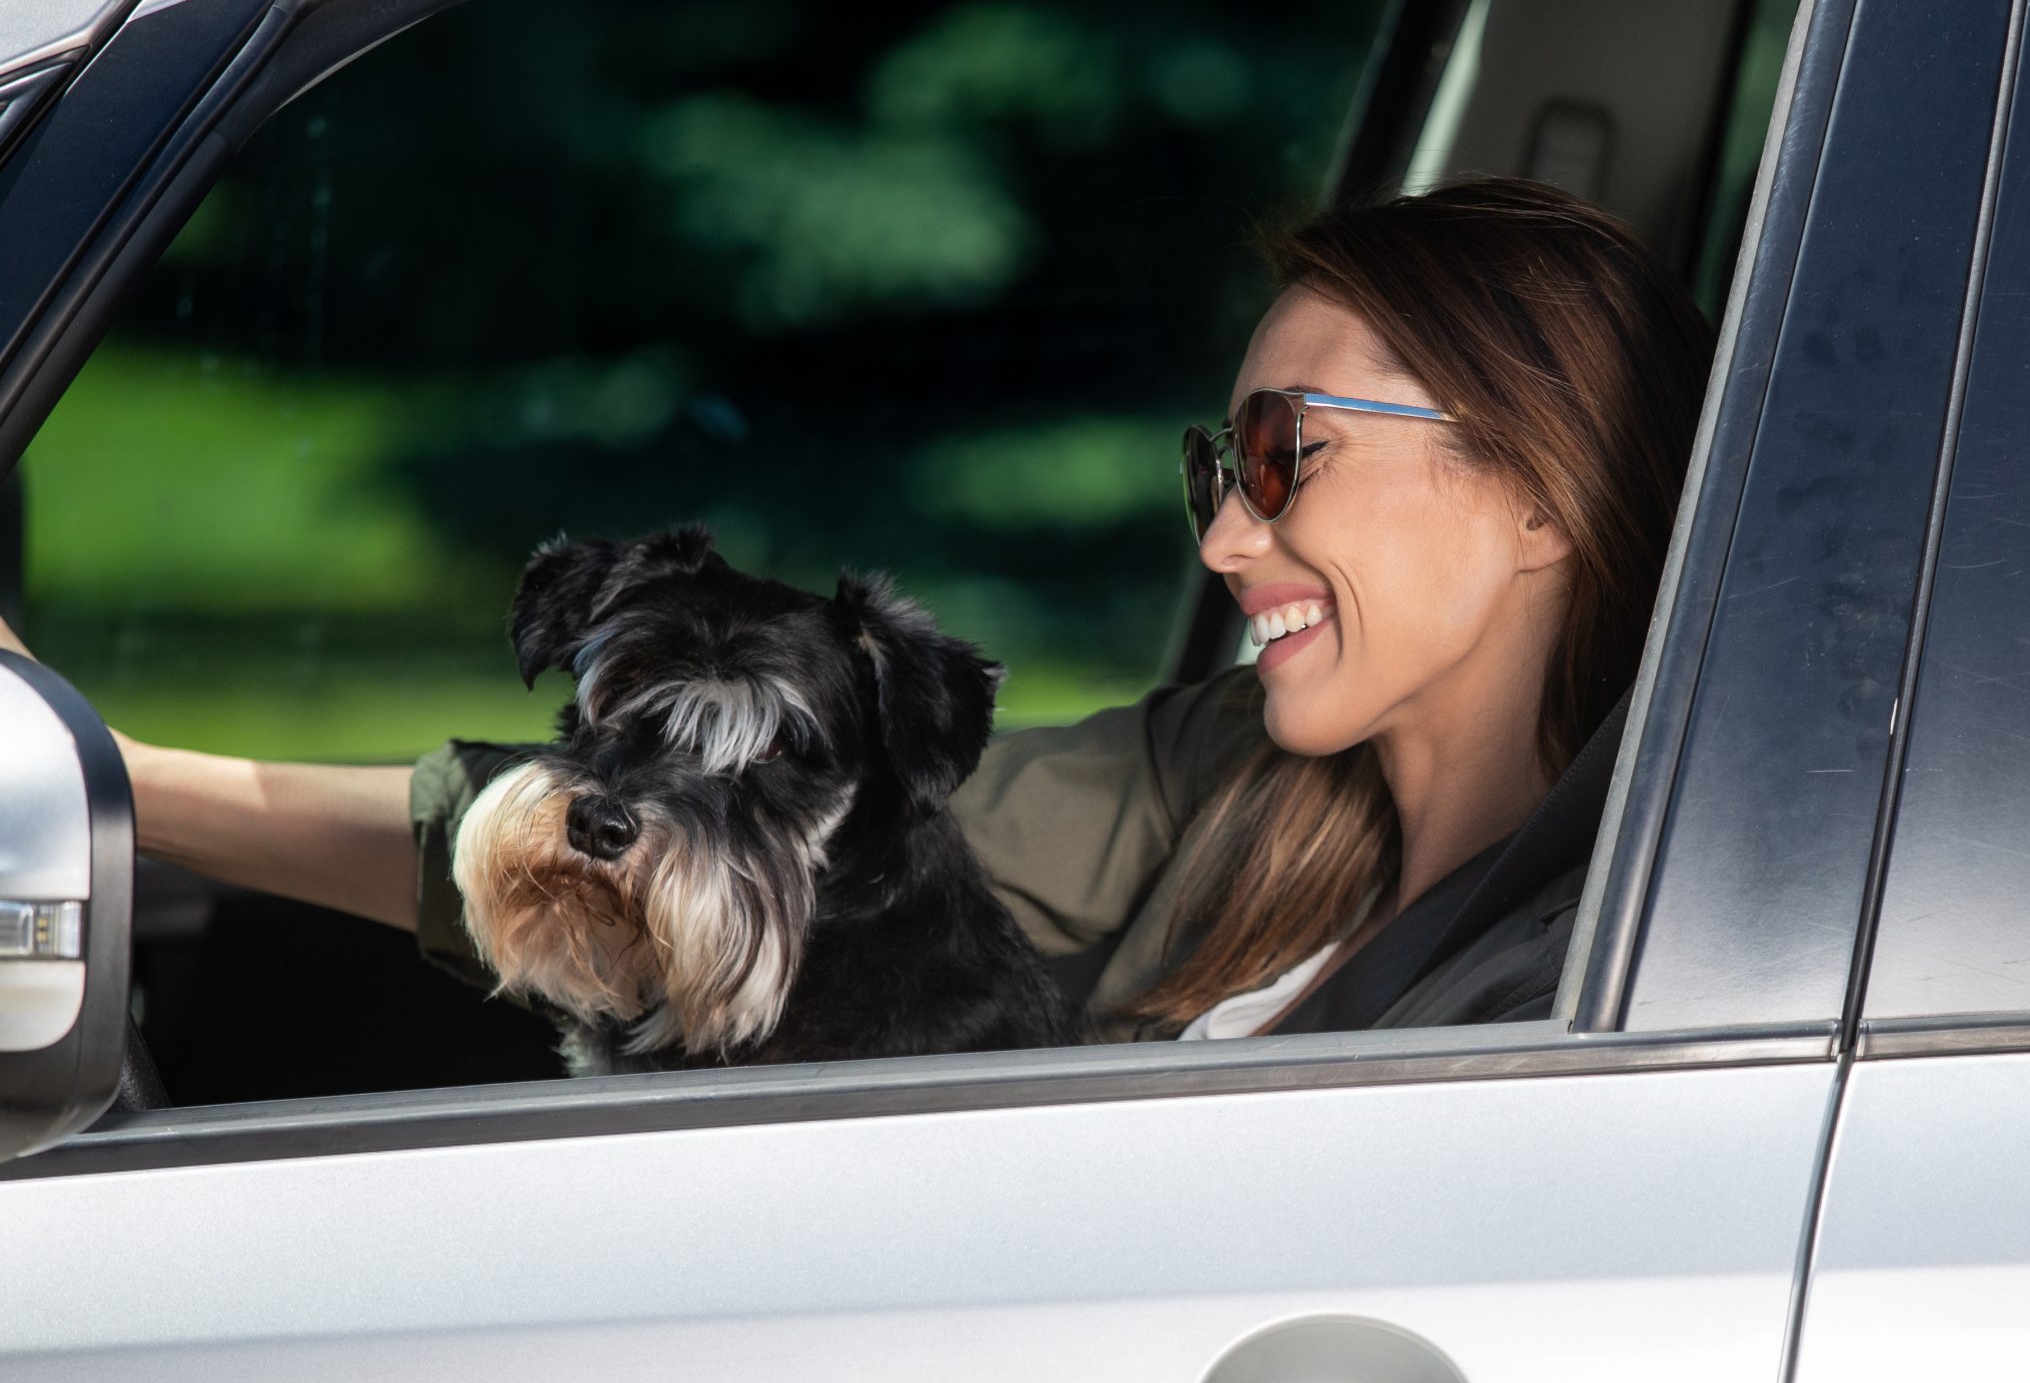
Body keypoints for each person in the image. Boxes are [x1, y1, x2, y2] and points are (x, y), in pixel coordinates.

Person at [0, 176, 1712, 1046]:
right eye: (1218, 466)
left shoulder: (1630, 958)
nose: (1220, 537)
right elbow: (677, 844)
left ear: (1539, 489)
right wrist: (114, 778)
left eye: (1283, 455)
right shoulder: (1228, 776)